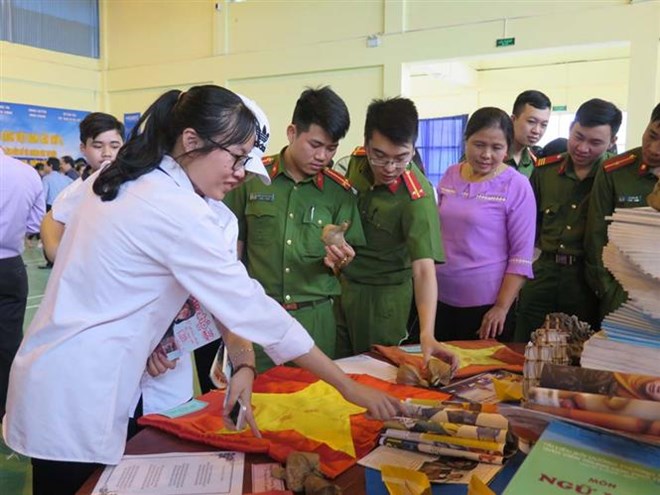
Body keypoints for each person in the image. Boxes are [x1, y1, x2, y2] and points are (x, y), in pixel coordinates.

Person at [3, 85, 401, 495]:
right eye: (235, 157)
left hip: (72, 374)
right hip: (77, 389)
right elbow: (249, 304)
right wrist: (348, 386)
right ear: (191, 140)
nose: (240, 173)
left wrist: (243, 363)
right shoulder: (173, 208)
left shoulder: (137, 175)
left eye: (247, 161)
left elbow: (222, 296)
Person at [222, 86, 363, 376]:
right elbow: (230, 255)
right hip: (259, 317)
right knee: (257, 404)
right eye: (315, 144)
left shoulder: (340, 194)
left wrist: (341, 262)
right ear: (291, 132)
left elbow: (346, 262)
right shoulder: (251, 179)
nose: (323, 156)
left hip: (316, 322)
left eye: (332, 148)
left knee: (313, 407)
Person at [337, 97, 455, 366]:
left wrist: (427, 333)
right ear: (366, 145)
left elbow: (424, 270)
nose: (389, 168)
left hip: (383, 299)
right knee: (337, 367)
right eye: (379, 156)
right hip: (341, 287)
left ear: (413, 150)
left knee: (373, 370)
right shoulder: (354, 166)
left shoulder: (418, 197)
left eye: (400, 158)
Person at [515, 98, 622, 342]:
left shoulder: (615, 177)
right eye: (578, 136)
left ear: (612, 142)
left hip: (586, 279)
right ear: (571, 128)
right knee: (523, 345)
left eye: (595, 142)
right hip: (544, 273)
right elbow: (529, 226)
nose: (583, 148)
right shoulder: (545, 171)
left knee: (579, 352)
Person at [435, 107, 536, 342]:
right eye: (479, 145)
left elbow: (521, 257)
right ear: (466, 140)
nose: (486, 154)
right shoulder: (451, 174)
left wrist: (501, 308)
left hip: (486, 306)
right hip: (439, 298)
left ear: (508, 148)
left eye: (497, 147)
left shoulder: (516, 185)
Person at [585, 102, 660, 320]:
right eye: (652, 135)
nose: (654, 149)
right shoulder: (616, 171)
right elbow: (596, 235)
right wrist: (608, 291)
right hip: (623, 294)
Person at [41, 112, 125, 263]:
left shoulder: (137, 185)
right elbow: (54, 250)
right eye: (97, 146)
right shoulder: (71, 194)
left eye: (114, 146)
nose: (107, 153)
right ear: (83, 148)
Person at [0, 148, 45, 418]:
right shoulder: (27, 174)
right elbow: (34, 224)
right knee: (8, 342)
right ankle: (7, 410)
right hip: (11, 267)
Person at [506, 90, 552, 177]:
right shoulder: (492, 159)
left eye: (544, 125)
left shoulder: (535, 163)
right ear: (513, 120)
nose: (537, 131)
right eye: (531, 121)